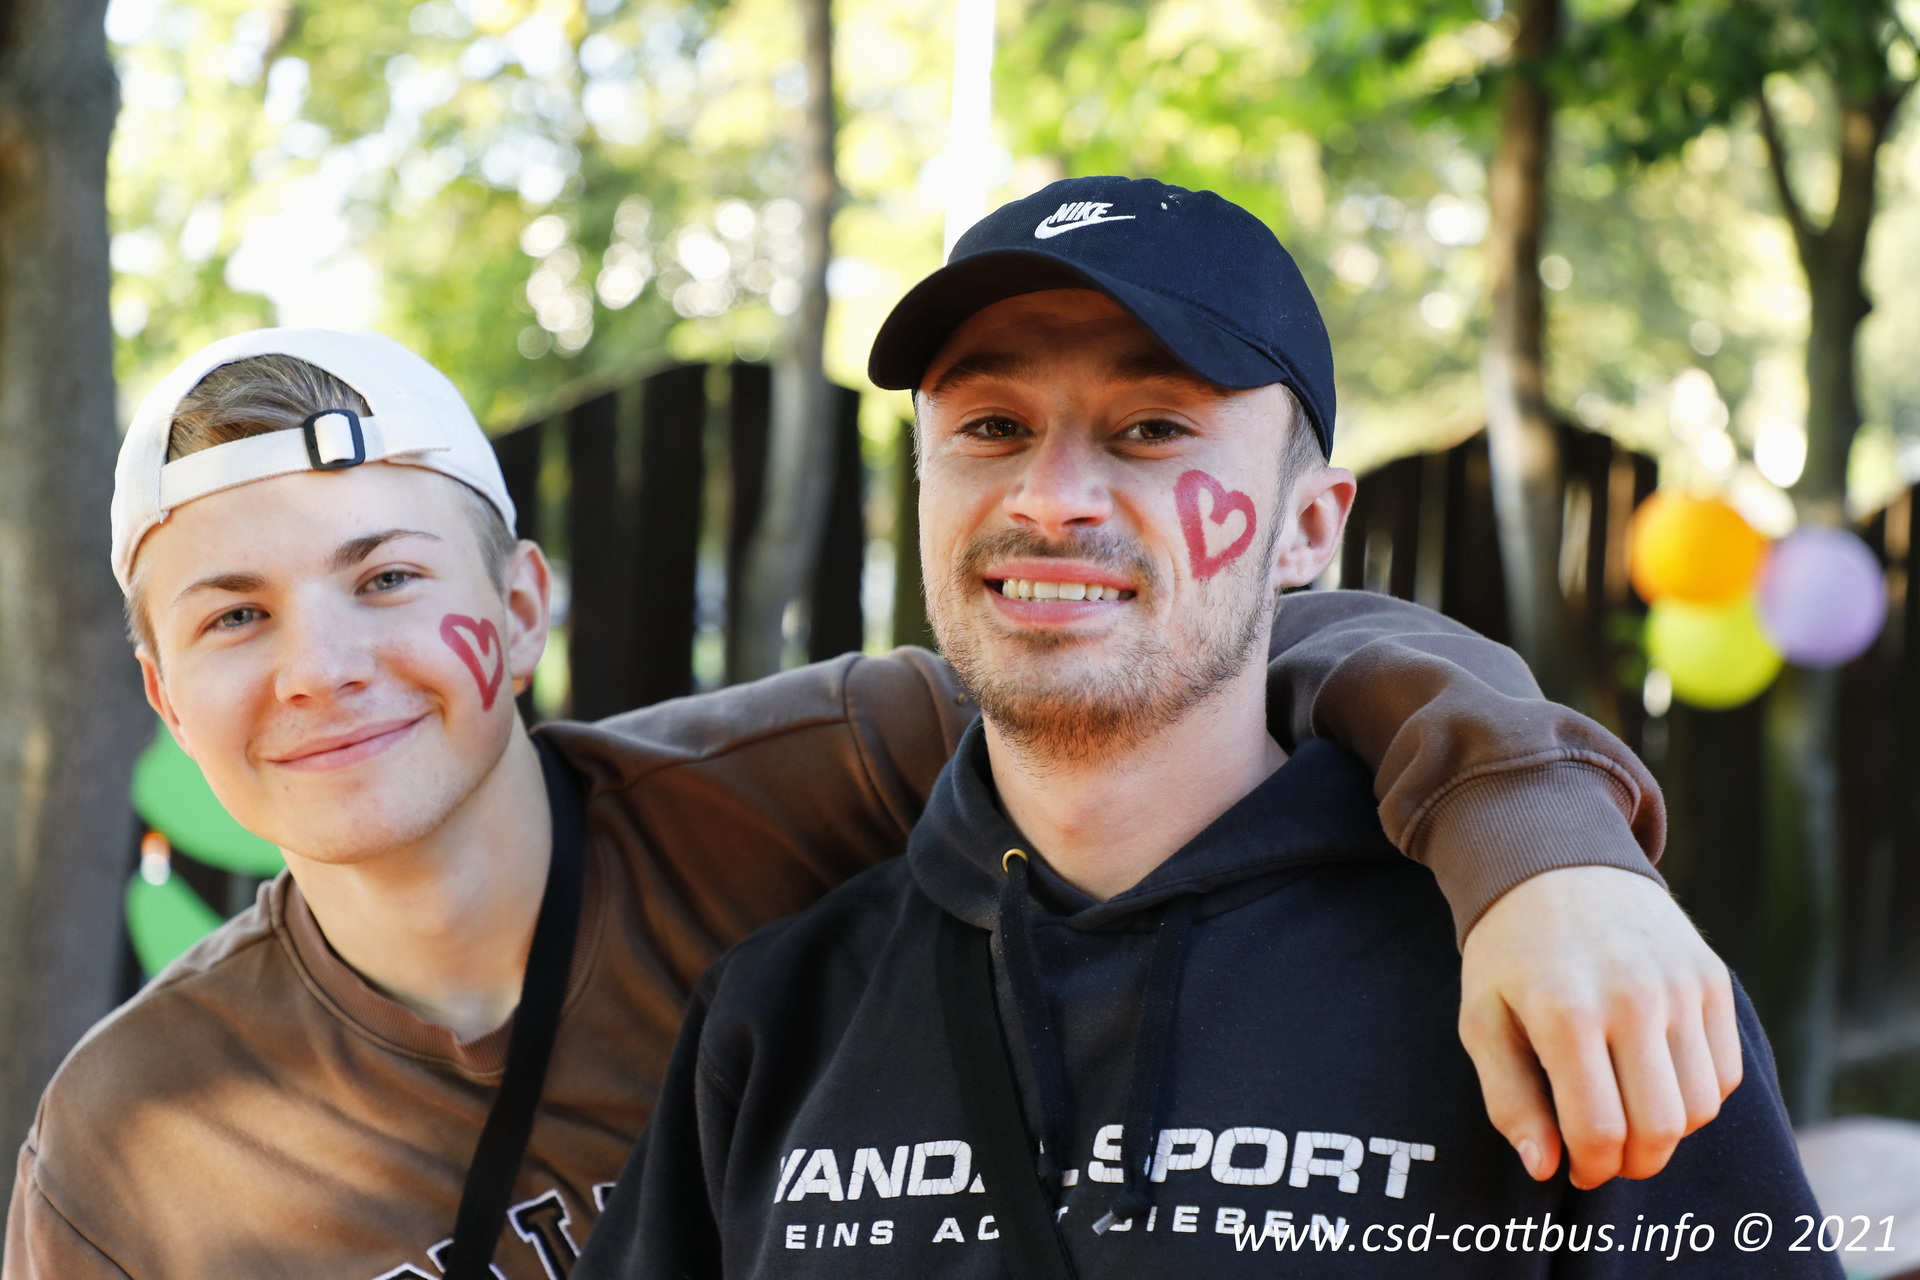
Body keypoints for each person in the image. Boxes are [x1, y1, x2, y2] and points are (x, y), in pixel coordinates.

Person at [3, 307, 1715, 1280]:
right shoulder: (133, 1142)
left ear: (523, 611)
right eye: (234, 617)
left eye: (387, 579)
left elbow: (1243, 646)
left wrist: (1538, 849)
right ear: (161, 690)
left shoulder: (818, 778)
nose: (321, 668)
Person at [575, 177, 1828, 1279]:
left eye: (1152, 428)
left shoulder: (1561, 980)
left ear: (1307, 528)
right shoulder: (773, 1019)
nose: (1051, 497)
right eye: (992, 426)